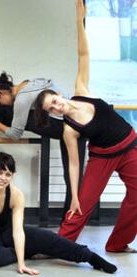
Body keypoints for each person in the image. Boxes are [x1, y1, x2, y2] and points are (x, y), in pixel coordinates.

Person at [34, 0, 137, 253]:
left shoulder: (81, 90)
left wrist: (80, 22)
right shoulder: (69, 129)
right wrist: (76, 195)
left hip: (129, 145)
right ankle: (58, 246)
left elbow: (83, 54)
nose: (57, 107)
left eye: (55, 101)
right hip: (102, 158)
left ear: (59, 94)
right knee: (81, 205)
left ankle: (117, 244)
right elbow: (73, 163)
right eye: (51, 109)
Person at [0, 152, 117, 275]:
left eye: (8, 174)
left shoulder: (16, 195)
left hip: (8, 235)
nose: (2, 178)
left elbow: (18, 231)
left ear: (12, 176)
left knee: (49, 238)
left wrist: (21, 265)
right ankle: (29, 251)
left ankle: (92, 258)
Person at [0, 74, 87, 223]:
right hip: (75, 125)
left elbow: (15, 134)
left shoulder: (22, 99)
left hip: (69, 127)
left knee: (6, 114)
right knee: (72, 179)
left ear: (2, 93)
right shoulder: (30, 83)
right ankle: (69, 222)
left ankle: (71, 222)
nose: (0, 104)